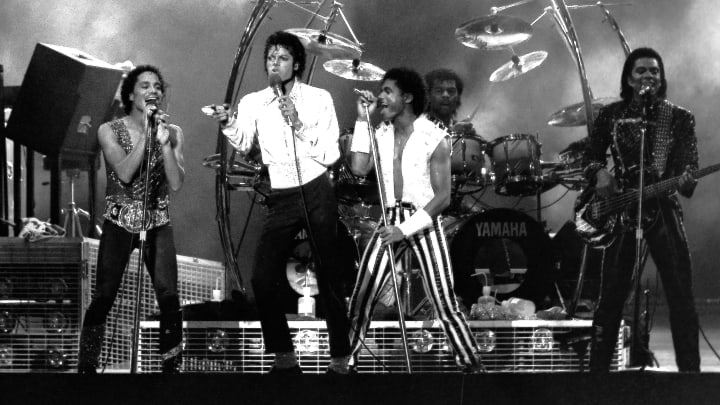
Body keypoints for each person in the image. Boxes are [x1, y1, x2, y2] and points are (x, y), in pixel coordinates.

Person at [211, 31, 351, 374]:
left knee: (329, 275)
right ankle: (284, 354)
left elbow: (331, 152)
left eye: (283, 58)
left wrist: (299, 124)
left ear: (297, 64)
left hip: (317, 189)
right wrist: (229, 122)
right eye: (270, 58)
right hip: (282, 193)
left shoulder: (319, 98)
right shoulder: (254, 102)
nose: (275, 63)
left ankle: (340, 358)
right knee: (261, 277)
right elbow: (244, 143)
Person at [348, 67, 482, 372]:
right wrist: (361, 119)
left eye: (387, 91)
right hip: (389, 219)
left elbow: (443, 198)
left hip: (422, 221)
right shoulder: (379, 132)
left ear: (407, 97)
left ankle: (471, 364)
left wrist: (404, 230)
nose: (380, 97)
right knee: (361, 297)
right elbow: (358, 168)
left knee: (443, 298)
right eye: (380, 91)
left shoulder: (434, 138)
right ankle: (345, 363)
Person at [582, 47, 700, 372]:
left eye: (654, 71)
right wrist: (599, 172)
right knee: (611, 298)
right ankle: (597, 379)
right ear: (629, 79)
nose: (649, 76)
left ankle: (690, 378)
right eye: (641, 71)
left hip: (662, 206)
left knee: (681, 295)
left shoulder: (679, 117)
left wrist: (687, 179)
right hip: (623, 211)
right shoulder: (612, 115)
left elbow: (688, 171)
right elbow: (589, 156)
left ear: (661, 79)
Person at [78, 65, 185, 373]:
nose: (153, 91)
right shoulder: (109, 130)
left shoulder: (174, 133)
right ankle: (87, 366)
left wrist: (163, 143)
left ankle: (171, 367)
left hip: (158, 222)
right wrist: (147, 135)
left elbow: (176, 183)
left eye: (157, 86)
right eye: (145, 86)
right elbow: (124, 173)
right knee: (105, 294)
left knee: (169, 294)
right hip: (120, 221)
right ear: (130, 93)